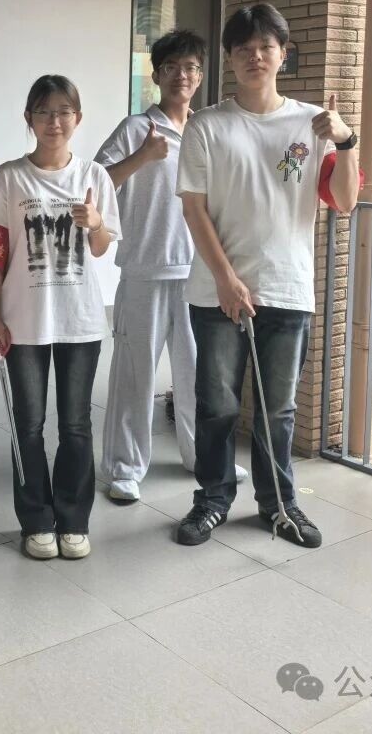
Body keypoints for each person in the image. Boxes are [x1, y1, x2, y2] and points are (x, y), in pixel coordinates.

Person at [174, 4, 360, 549]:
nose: (255, 56)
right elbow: (194, 210)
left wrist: (346, 141)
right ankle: (212, 500)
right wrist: (226, 279)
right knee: (218, 406)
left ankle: (278, 504)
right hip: (216, 292)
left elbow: (345, 201)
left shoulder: (313, 123)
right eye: (243, 49)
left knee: (278, 410)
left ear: (284, 54)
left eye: (265, 47)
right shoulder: (207, 125)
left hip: (288, 287)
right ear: (230, 58)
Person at [95, 29, 248, 504]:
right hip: (145, 272)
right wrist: (143, 156)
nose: (182, 75)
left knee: (199, 376)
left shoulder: (207, 129)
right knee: (135, 377)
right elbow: (96, 186)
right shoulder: (135, 129)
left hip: (198, 275)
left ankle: (201, 456)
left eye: (191, 68)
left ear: (200, 76)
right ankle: (124, 467)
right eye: (172, 67)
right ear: (157, 75)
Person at [0, 75, 121, 561]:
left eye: (64, 112)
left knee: (76, 424)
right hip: (24, 320)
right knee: (29, 425)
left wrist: (95, 223)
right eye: (44, 111)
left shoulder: (94, 176)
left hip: (80, 319)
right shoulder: (9, 177)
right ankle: (36, 520)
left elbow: (100, 248)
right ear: (29, 118)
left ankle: (74, 520)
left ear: (77, 118)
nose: (54, 121)